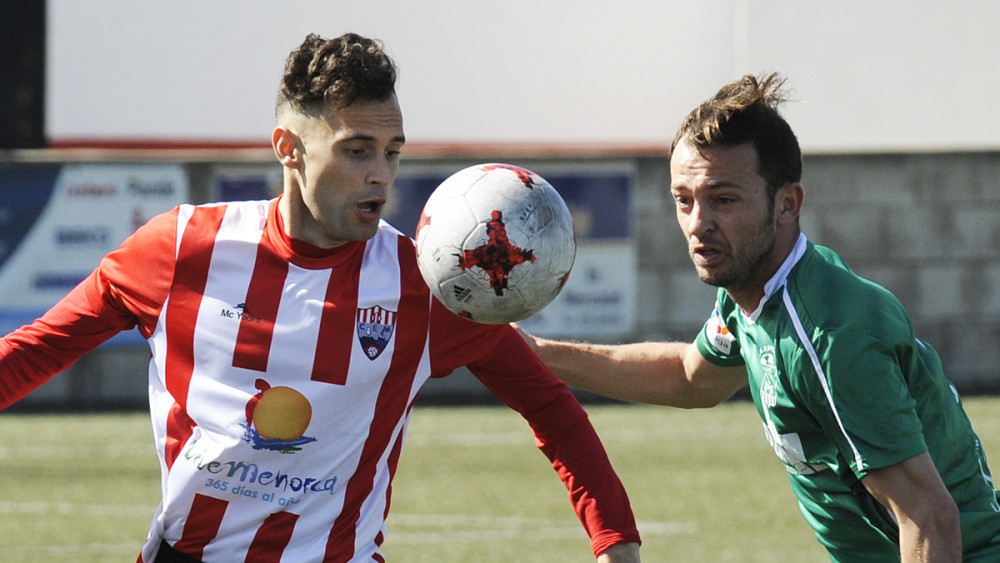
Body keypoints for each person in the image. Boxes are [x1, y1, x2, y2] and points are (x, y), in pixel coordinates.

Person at [0, 33, 641, 562]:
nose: (381, 175)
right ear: (288, 149)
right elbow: (37, 349)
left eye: (392, 153)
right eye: (356, 151)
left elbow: (549, 405)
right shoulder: (181, 248)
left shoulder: (426, 289)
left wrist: (615, 541)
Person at [518, 73, 1000, 562]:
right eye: (684, 199)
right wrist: (535, 354)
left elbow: (930, 517)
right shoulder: (752, 294)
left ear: (787, 204)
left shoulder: (828, 338)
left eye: (723, 199)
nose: (698, 223)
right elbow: (692, 379)